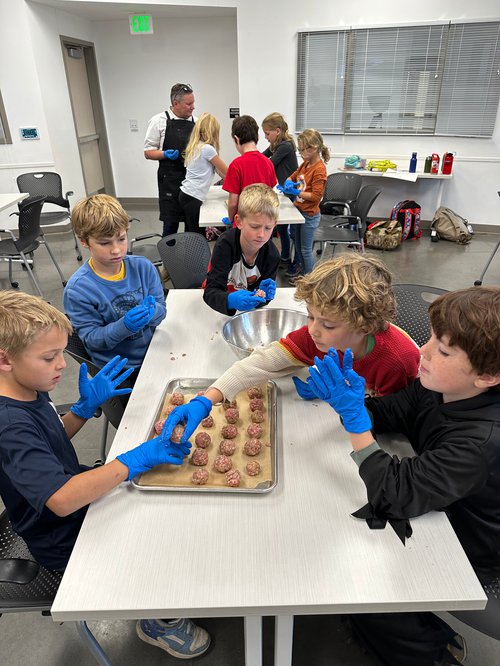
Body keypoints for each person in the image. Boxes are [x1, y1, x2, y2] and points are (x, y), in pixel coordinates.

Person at [0, 290, 210, 659]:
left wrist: (81, 410)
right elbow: (61, 499)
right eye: (49, 357)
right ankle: (155, 621)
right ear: (4, 359)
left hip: (81, 503)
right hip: (62, 536)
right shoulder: (8, 424)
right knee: (152, 544)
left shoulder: (26, 389)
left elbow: (48, 445)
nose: (61, 366)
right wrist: (132, 460)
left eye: (60, 354)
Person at [306, 286, 500, 666]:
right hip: (447, 508)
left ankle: (426, 653)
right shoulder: (444, 387)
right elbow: (395, 411)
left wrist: (357, 424)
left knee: (365, 587)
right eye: (430, 340)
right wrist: (353, 402)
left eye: (443, 351)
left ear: (489, 376)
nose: (422, 353)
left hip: (475, 552)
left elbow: (395, 493)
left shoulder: (482, 440)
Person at [168, 254, 421, 444]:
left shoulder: (397, 360)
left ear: (364, 326)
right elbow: (261, 363)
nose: (313, 330)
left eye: (328, 324)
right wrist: (207, 399)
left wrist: (351, 401)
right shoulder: (316, 337)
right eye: (310, 316)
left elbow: (392, 420)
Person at [63, 195, 166, 388]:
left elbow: (162, 311)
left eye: (121, 239)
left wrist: (153, 313)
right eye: (105, 243)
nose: (116, 250)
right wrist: (125, 326)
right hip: (118, 371)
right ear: (84, 241)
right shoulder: (79, 290)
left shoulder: (143, 268)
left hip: (153, 354)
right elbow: (93, 341)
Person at [203, 183, 280, 315]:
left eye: (268, 228)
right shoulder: (225, 245)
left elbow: (260, 300)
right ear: (239, 222)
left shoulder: (272, 255)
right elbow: (210, 293)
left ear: (275, 225)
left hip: (245, 313)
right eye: (255, 226)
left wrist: (262, 297)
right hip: (219, 308)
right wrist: (230, 300)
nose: (261, 234)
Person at [144, 83, 196, 237]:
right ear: (175, 103)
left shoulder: (197, 122)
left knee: (192, 226)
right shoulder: (159, 121)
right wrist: (165, 154)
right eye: (188, 104)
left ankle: (190, 258)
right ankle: (169, 258)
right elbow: (148, 152)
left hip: (192, 181)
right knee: (170, 226)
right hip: (170, 181)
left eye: (193, 102)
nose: (192, 107)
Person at [279, 128, 329, 282]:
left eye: (302, 149)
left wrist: (296, 192)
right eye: (299, 149)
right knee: (298, 244)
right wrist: (288, 181)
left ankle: (310, 281)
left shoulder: (319, 170)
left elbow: (315, 197)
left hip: (309, 215)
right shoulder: (305, 164)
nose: (300, 153)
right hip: (299, 212)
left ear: (313, 148)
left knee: (306, 250)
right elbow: (293, 176)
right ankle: (301, 272)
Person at [179, 112, 228, 235]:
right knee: (197, 236)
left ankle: (189, 254)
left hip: (186, 194)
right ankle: (197, 255)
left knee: (190, 233)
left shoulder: (196, 146)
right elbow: (227, 171)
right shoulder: (207, 149)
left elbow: (219, 171)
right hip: (193, 197)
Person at [222, 115, 277, 225]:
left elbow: (233, 203)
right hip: (264, 222)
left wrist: (231, 219)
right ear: (257, 136)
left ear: (236, 139)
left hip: (244, 224)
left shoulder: (236, 165)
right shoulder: (268, 163)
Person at [261, 112, 298, 270]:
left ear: (277, 131)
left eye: (267, 134)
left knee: (292, 230)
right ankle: (285, 257)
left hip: (293, 192)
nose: (266, 137)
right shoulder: (275, 145)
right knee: (282, 227)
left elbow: (268, 164)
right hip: (285, 192)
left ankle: (293, 263)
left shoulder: (285, 146)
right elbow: (261, 157)